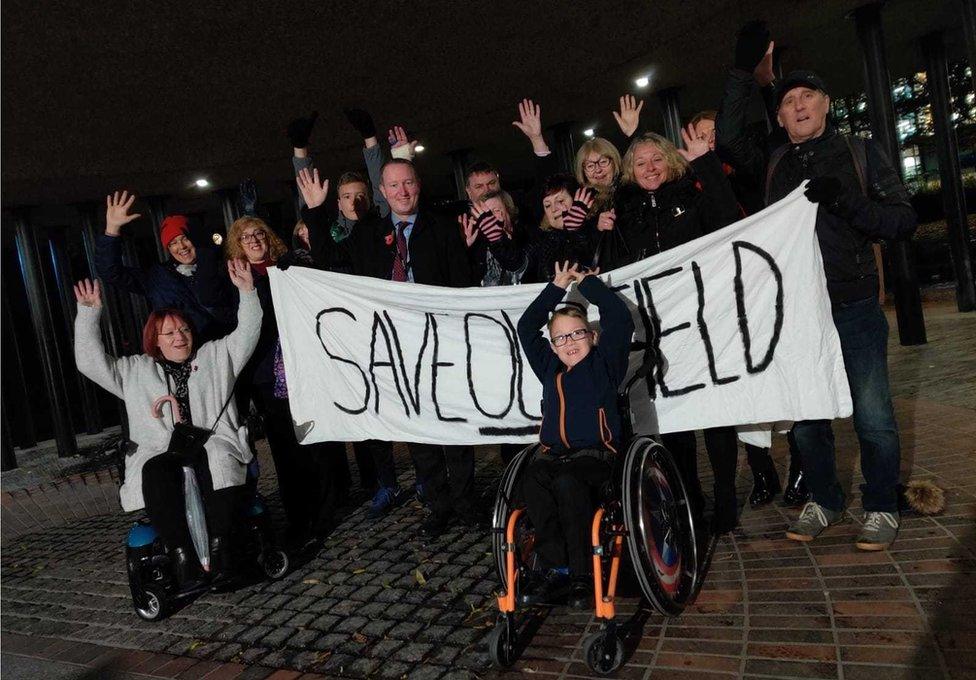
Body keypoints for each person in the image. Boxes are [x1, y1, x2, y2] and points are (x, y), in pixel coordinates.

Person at [727, 70, 915, 550]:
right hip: (798, 315)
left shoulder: (861, 152)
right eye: (789, 101)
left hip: (852, 303)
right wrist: (741, 73)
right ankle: (826, 499)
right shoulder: (773, 164)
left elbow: (902, 220)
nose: (799, 105)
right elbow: (728, 138)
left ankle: (881, 506)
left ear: (827, 102)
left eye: (808, 95)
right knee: (808, 420)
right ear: (780, 115)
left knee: (872, 415)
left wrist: (847, 201)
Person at [298, 159, 476, 537]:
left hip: (441, 341)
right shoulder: (367, 233)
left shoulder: (442, 228)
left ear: (419, 185)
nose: (402, 192)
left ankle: (465, 502)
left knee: (455, 425)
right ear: (382, 191)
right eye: (394, 186)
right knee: (418, 429)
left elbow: (463, 285)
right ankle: (438, 504)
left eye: (408, 183)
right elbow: (328, 258)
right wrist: (315, 211)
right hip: (396, 346)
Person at [73, 260, 260, 589]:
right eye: (170, 333)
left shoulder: (217, 356)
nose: (180, 337)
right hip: (163, 449)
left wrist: (247, 291)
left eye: (184, 330)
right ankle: (182, 555)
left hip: (212, 440)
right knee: (155, 470)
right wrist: (89, 316)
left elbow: (247, 332)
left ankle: (222, 553)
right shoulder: (134, 371)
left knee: (215, 457)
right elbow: (89, 362)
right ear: (155, 340)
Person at [596, 127, 743, 533]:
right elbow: (613, 273)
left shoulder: (692, 196)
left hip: (701, 322)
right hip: (656, 331)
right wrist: (604, 233)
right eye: (640, 162)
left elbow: (729, 220)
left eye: (657, 159)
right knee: (675, 414)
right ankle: (690, 499)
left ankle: (727, 499)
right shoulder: (622, 212)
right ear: (629, 171)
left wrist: (705, 164)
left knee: (714, 411)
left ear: (671, 161)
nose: (650, 168)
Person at [516, 261, 634, 608]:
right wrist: (556, 287)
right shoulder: (550, 368)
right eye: (561, 337)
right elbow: (526, 327)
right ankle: (558, 569)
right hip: (554, 456)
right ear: (552, 345)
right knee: (534, 479)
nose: (570, 343)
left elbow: (619, 317)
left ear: (592, 336)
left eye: (577, 334)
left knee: (568, 482)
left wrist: (587, 284)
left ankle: (582, 574)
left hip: (597, 457)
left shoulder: (606, 364)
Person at [225, 216, 335, 551]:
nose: (255, 240)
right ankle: (299, 516)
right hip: (268, 376)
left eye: (259, 233)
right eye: (246, 238)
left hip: (306, 367)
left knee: (318, 442)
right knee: (286, 450)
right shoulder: (237, 278)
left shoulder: (290, 267)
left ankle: (327, 510)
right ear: (238, 246)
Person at [95, 191, 237, 343]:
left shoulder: (223, 268)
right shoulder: (157, 278)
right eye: (173, 243)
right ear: (168, 249)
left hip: (230, 348)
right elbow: (110, 272)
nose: (181, 246)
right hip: (186, 353)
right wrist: (112, 230)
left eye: (185, 239)